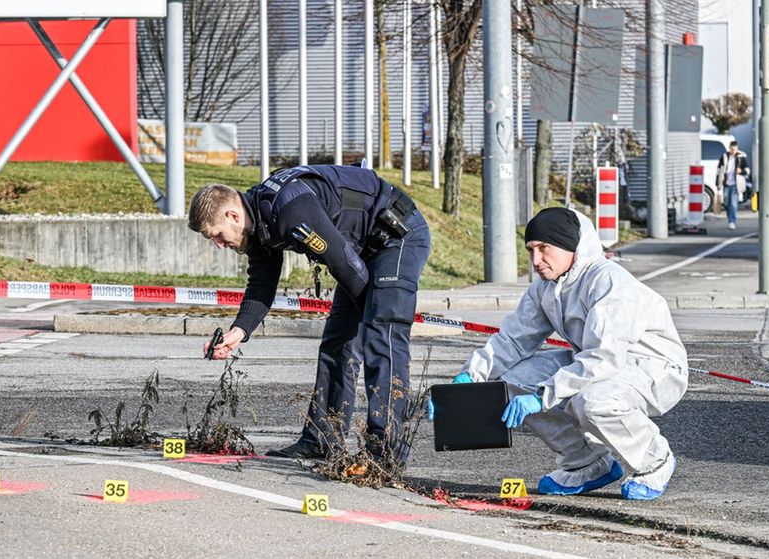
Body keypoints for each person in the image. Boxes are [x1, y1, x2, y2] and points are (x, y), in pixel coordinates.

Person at [439, 207, 687, 500]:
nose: (536, 260)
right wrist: (472, 376)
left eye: (544, 248)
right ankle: (588, 463)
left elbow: (605, 356)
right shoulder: (545, 286)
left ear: (571, 246)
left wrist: (544, 395)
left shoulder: (608, 282)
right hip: (595, 360)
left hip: (653, 367)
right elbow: (514, 339)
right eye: (531, 249)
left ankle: (654, 460)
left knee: (592, 402)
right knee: (514, 382)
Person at [188, 165, 429, 460]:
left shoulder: (290, 208)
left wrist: (378, 313)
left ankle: (385, 452)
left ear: (233, 216)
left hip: (398, 237)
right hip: (360, 251)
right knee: (338, 342)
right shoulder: (262, 220)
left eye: (218, 236)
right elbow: (262, 285)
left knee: (381, 333)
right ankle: (322, 441)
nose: (220, 245)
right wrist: (237, 332)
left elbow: (344, 264)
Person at [716, 140, 748, 230]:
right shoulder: (724, 157)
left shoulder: (741, 158)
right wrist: (718, 184)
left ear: (737, 149)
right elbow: (719, 170)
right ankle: (730, 218)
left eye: (735, 149)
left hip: (736, 184)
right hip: (726, 183)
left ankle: (732, 221)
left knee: (733, 204)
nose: (733, 151)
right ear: (729, 149)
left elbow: (747, 170)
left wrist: (741, 171)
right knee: (726, 203)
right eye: (732, 149)